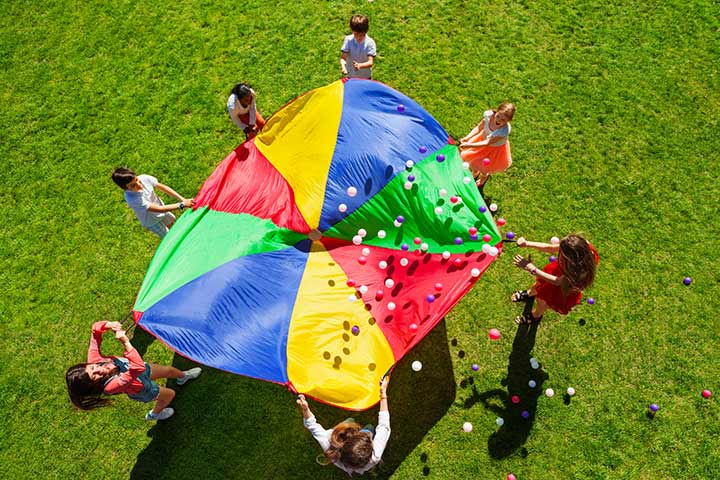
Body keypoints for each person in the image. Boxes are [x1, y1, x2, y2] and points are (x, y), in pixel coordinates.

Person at [65, 321, 202, 421]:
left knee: (169, 370)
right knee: (170, 394)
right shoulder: (111, 386)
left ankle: (183, 376)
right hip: (143, 389)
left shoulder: (93, 359)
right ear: (92, 385)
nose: (98, 369)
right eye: (94, 375)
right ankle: (155, 414)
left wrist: (108, 325)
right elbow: (137, 367)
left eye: (93, 368)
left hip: (141, 373)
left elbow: (95, 331)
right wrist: (125, 342)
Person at [297, 376, 390, 475]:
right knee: (369, 428)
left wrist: (305, 409)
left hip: (343, 435)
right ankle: (366, 428)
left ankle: (352, 422)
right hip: (351, 437)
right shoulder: (375, 456)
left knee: (350, 421)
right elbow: (383, 426)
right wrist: (383, 393)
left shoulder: (329, 443)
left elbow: (311, 425)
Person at [510, 234, 598, 324]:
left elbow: (557, 281)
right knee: (539, 284)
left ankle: (536, 316)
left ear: (570, 260)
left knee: (542, 301)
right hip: (559, 273)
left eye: (561, 255)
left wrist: (531, 268)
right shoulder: (580, 247)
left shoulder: (578, 272)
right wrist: (527, 243)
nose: (558, 254)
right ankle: (530, 293)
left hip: (563, 288)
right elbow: (550, 248)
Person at [111, 167, 195, 239]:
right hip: (152, 221)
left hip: (163, 211)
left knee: (173, 225)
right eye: (133, 185)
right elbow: (158, 209)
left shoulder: (144, 178)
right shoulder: (133, 199)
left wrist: (182, 199)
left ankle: (185, 238)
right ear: (125, 189)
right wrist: (182, 204)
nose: (139, 185)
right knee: (169, 237)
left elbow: (163, 187)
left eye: (137, 180)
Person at [459, 102, 516, 190]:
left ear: (508, 121)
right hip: (481, 140)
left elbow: (487, 143)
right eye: (498, 116)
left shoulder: (503, 131)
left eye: (503, 120)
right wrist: (467, 138)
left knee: (485, 168)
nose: (499, 120)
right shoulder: (488, 116)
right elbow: (479, 128)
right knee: (474, 162)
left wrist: (469, 145)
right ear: (496, 112)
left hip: (493, 149)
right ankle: (475, 172)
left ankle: (483, 178)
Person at [340, 14, 376, 79]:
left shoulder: (370, 43)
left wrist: (360, 65)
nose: (359, 37)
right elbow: (343, 58)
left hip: (365, 77)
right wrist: (343, 67)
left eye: (362, 34)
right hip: (350, 75)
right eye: (356, 34)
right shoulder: (348, 40)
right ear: (352, 30)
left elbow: (370, 62)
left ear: (366, 31)